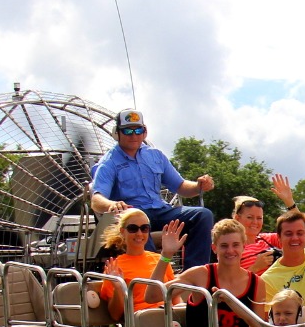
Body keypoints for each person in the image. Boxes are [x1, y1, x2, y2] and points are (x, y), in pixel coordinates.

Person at [89, 109, 215, 270]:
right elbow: (96, 199)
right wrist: (111, 205)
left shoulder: (155, 155)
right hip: (134, 214)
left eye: (138, 130)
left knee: (202, 215)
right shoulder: (109, 162)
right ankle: (151, 276)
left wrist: (199, 186)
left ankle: (194, 274)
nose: (133, 135)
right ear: (117, 133)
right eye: (127, 131)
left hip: (161, 211)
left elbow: (181, 186)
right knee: (139, 224)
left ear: (145, 132)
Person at [173, 218, 267, 327]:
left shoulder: (257, 283)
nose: (230, 250)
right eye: (224, 246)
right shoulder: (200, 275)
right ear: (214, 247)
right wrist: (166, 254)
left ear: (243, 246)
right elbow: (153, 295)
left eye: (235, 245)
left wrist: (234, 305)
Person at [98, 209, 185, 322]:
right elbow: (115, 315)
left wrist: (184, 312)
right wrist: (118, 288)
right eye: (133, 229)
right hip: (142, 322)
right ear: (123, 231)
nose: (139, 233)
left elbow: (174, 298)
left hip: (168, 317)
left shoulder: (160, 259)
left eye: (144, 228)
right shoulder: (114, 266)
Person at [236, 174, 296, 275]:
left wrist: (289, 202)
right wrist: (256, 267)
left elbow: (297, 230)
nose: (255, 222)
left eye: (259, 218)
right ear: (238, 218)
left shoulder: (267, 239)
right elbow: (231, 281)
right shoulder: (233, 246)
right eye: (250, 217)